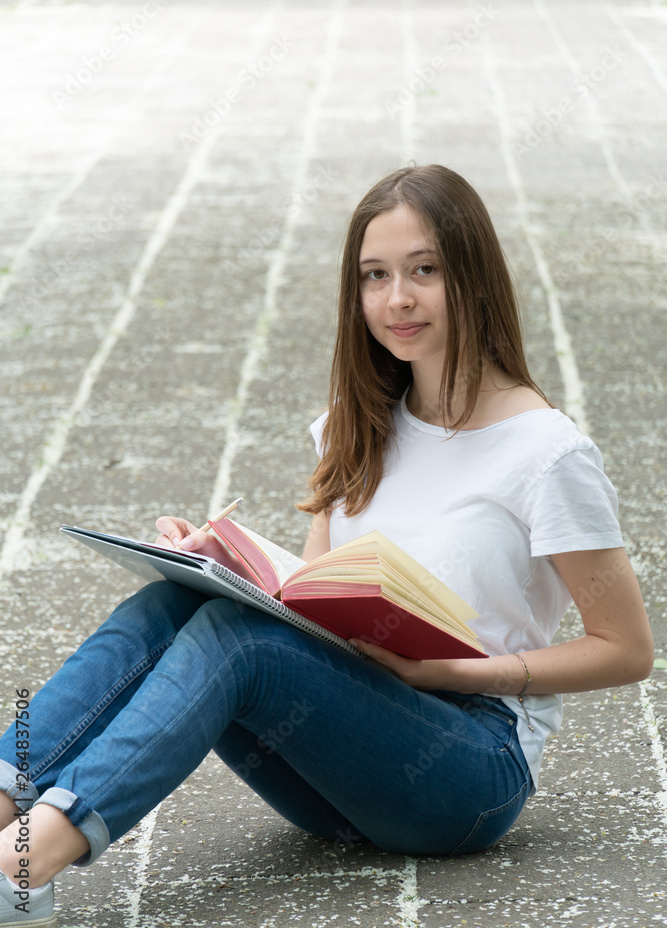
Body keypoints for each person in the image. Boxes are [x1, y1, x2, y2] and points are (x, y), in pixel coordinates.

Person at [0, 164, 654, 925]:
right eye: (374, 276)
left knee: (239, 646)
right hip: (339, 764)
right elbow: (315, 595)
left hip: (467, 772)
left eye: (424, 271)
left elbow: (626, 649)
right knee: (177, 600)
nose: (396, 299)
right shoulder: (360, 417)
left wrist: (447, 669)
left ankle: (24, 868)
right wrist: (221, 562)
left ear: (472, 276)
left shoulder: (545, 454)